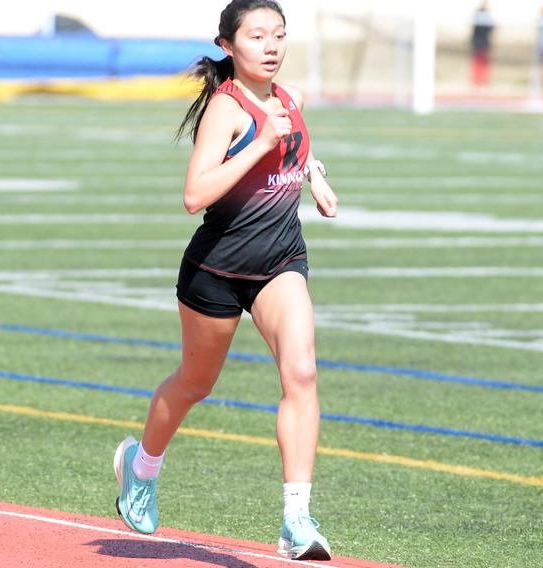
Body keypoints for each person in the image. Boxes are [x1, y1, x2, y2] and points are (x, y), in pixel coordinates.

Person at [113, 0, 338, 561]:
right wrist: (260, 144)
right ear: (228, 46)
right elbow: (195, 196)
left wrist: (317, 176)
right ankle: (140, 467)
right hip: (215, 269)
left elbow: (297, 143)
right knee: (195, 382)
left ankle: (296, 519)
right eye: (257, 35)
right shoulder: (225, 108)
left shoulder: (291, 98)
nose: (271, 45)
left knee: (302, 373)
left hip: (280, 262)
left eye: (279, 35)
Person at [470, 1, 494, 87]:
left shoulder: (487, 15)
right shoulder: (478, 14)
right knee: (477, 63)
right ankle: (476, 81)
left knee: (484, 63)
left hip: (484, 42)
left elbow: (491, 28)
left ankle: (483, 81)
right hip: (479, 42)